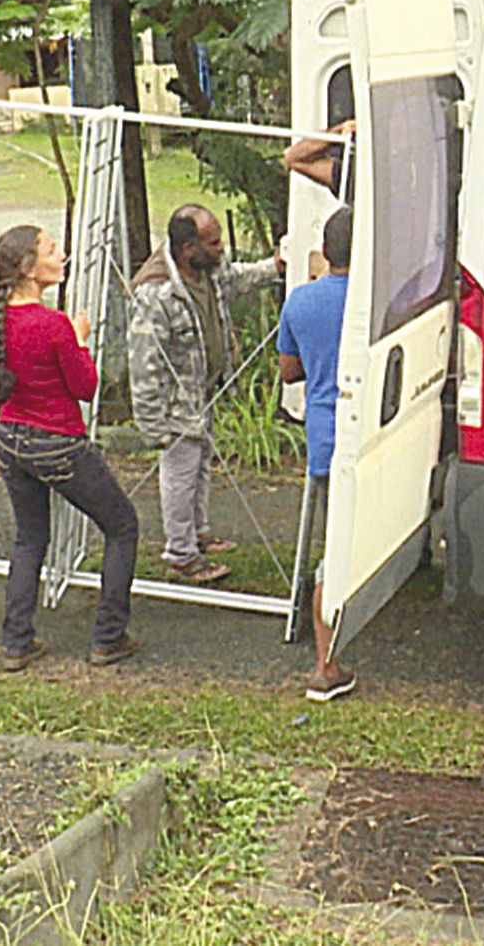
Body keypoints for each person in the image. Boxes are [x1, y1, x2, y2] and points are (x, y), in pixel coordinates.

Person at [0, 224, 141, 671]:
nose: (61, 255)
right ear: (30, 269)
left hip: (11, 440)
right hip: (59, 444)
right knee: (122, 526)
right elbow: (86, 388)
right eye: (52, 250)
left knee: (29, 538)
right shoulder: (54, 326)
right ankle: (109, 636)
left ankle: (16, 642)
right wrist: (81, 339)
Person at [128, 204, 282, 584]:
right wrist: (153, 425)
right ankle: (181, 554)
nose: (222, 248)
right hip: (175, 403)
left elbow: (235, 279)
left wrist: (273, 268)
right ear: (188, 249)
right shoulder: (156, 294)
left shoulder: (207, 271)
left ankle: (199, 534)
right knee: (179, 474)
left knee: (199, 467)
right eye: (214, 242)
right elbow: (143, 364)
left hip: (202, 390)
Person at [276, 206, 359, 703]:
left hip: (327, 436)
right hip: (376, 432)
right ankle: (325, 667)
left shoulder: (302, 302)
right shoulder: (379, 301)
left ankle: (327, 660)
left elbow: (289, 372)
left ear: (325, 253)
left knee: (334, 543)